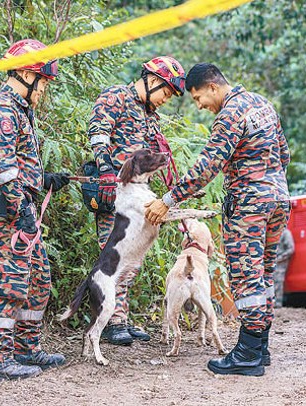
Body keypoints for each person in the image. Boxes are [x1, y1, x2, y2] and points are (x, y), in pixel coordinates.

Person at [145, 63, 290, 376]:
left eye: (198, 98)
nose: (200, 106)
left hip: (249, 205)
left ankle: (248, 355)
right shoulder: (262, 104)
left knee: (247, 277)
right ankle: (259, 347)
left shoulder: (230, 113)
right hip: (278, 199)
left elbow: (207, 167)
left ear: (212, 86)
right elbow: (285, 154)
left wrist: (167, 200)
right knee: (263, 275)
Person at [0, 39, 70, 379]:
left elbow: (17, 164)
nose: (44, 88)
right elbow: (3, 169)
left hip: (22, 203)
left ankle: (26, 350)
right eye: (42, 80)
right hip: (9, 210)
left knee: (38, 280)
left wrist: (43, 179)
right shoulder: (3, 109)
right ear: (24, 73)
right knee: (9, 282)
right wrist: (23, 210)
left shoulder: (20, 109)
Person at [87, 56, 186, 345]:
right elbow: (98, 135)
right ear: (153, 80)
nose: (166, 99)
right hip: (115, 195)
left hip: (139, 198)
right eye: (166, 92)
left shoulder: (150, 115)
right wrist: (105, 170)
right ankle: (110, 322)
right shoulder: (115, 97)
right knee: (115, 259)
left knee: (132, 261)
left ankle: (121, 319)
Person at [274, 228, 294, 308]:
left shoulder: (285, 233)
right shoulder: (274, 232)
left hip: (281, 261)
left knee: (278, 280)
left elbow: (291, 249)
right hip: (273, 261)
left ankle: (278, 303)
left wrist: (280, 258)